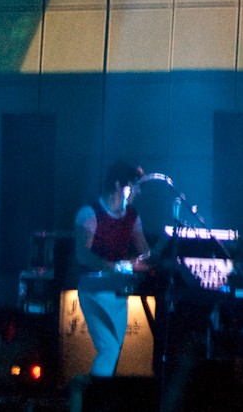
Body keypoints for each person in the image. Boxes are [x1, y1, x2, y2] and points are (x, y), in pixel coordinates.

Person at [73, 161, 150, 377]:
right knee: (109, 349)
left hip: (118, 293)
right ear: (119, 185)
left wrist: (152, 259)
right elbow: (83, 254)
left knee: (113, 351)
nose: (138, 192)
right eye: (135, 186)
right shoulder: (89, 213)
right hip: (94, 291)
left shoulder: (132, 217)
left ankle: (95, 394)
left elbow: (145, 252)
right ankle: (88, 395)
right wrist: (120, 266)